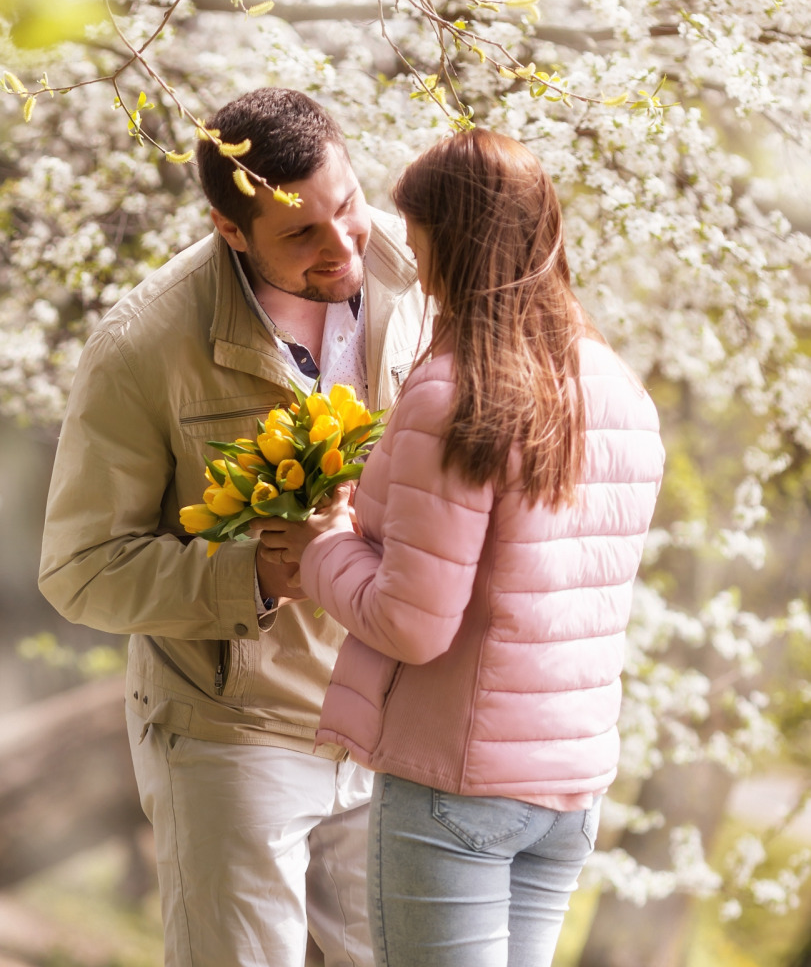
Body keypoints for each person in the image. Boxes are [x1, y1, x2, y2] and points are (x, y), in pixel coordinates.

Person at [256, 128, 666, 967]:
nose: (413, 259)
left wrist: (324, 544)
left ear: (451, 239)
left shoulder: (457, 391)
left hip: (458, 785)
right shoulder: (618, 389)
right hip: (568, 788)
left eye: (419, 238)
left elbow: (412, 624)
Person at [38, 87, 428, 967]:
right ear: (229, 228)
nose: (343, 247)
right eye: (302, 236)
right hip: (230, 731)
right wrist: (255, 575)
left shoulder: (420, 277)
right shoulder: (142, 343)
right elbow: (81, 568)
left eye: (348, 206)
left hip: (389, 727)